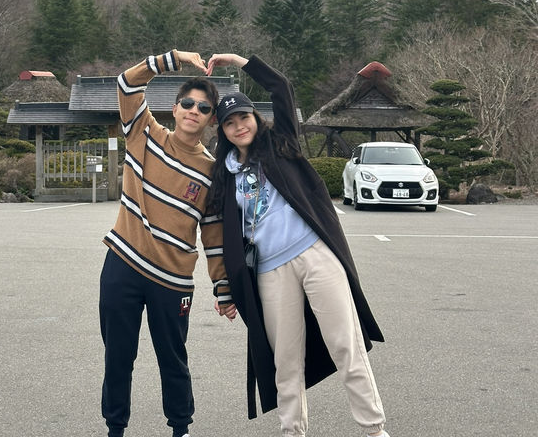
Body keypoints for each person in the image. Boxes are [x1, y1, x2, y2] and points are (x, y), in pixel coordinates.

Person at [207, 53, 390, 437]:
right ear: (222, 131)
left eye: (244, 117)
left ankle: (374, 429)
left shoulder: (281, 144)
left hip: (314, 254)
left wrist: (239, 60)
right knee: (285, 362)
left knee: (346, 345)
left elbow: (281, 88)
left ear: (255, 119)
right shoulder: (224, 177)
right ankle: (292, 432)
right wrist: (224, 287)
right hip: (270, 272)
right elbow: (219, 236)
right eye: (230, 122)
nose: (239, 125)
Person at [99, 49, 237, 437]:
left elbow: (213, 235)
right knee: (118, 357)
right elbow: (127, 82)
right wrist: (173, 59)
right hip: (122, 265)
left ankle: (180, 428)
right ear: (174, 109)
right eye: (188, 103)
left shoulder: (212, 171)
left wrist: (223, 289)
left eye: (204, 108)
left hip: (173, 279)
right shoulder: (144, 133)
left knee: (173, 359)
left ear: (211, 120)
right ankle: (115, 428)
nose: (194, 110)